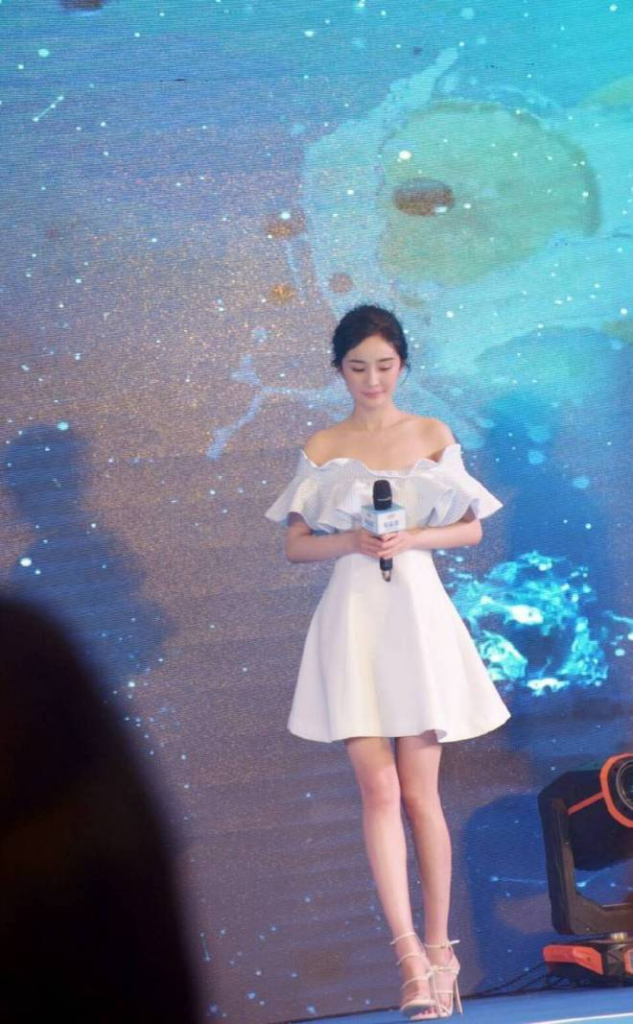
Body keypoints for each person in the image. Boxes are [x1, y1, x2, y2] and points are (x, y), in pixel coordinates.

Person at [265, 305, 510, 1020]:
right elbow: (295, 544)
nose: (371, 379)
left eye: (383, 365)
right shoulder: (324, 444)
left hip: (416, 617)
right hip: (353, 623)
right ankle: (407, 960)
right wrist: (351, 542)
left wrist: (409, 540)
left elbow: (469, 529)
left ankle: (439, 950)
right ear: (338, 369)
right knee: (376, 790)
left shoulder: (431, 434)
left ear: (402, 365)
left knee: (419, 794)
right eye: (357, 367)